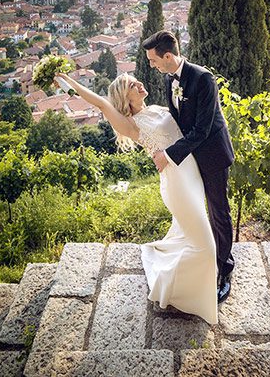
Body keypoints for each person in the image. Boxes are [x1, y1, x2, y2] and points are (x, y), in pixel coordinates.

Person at [54, 71, 218, 325]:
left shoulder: (154, 107)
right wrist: (69, 83)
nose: (139, 83)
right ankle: (180, 292)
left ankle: (191, 284)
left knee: (192, 237)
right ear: (124, 96)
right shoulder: (130, 124)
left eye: (136, 80)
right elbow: (99, 102)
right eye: (132, 84)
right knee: (206, 247)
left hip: (193, 176)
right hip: (177, 185)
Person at [141, 30, 235, 303]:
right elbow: (176, 120)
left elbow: (202, 129)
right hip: (190, 157)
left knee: (218, 211)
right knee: (197, 210)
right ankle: (204, 257)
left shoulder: (203, 79)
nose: (152, 65)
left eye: (153, 60)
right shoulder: (170, 79)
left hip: (213, 154)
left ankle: (224, 269)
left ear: (167, 56)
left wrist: (168, 154)